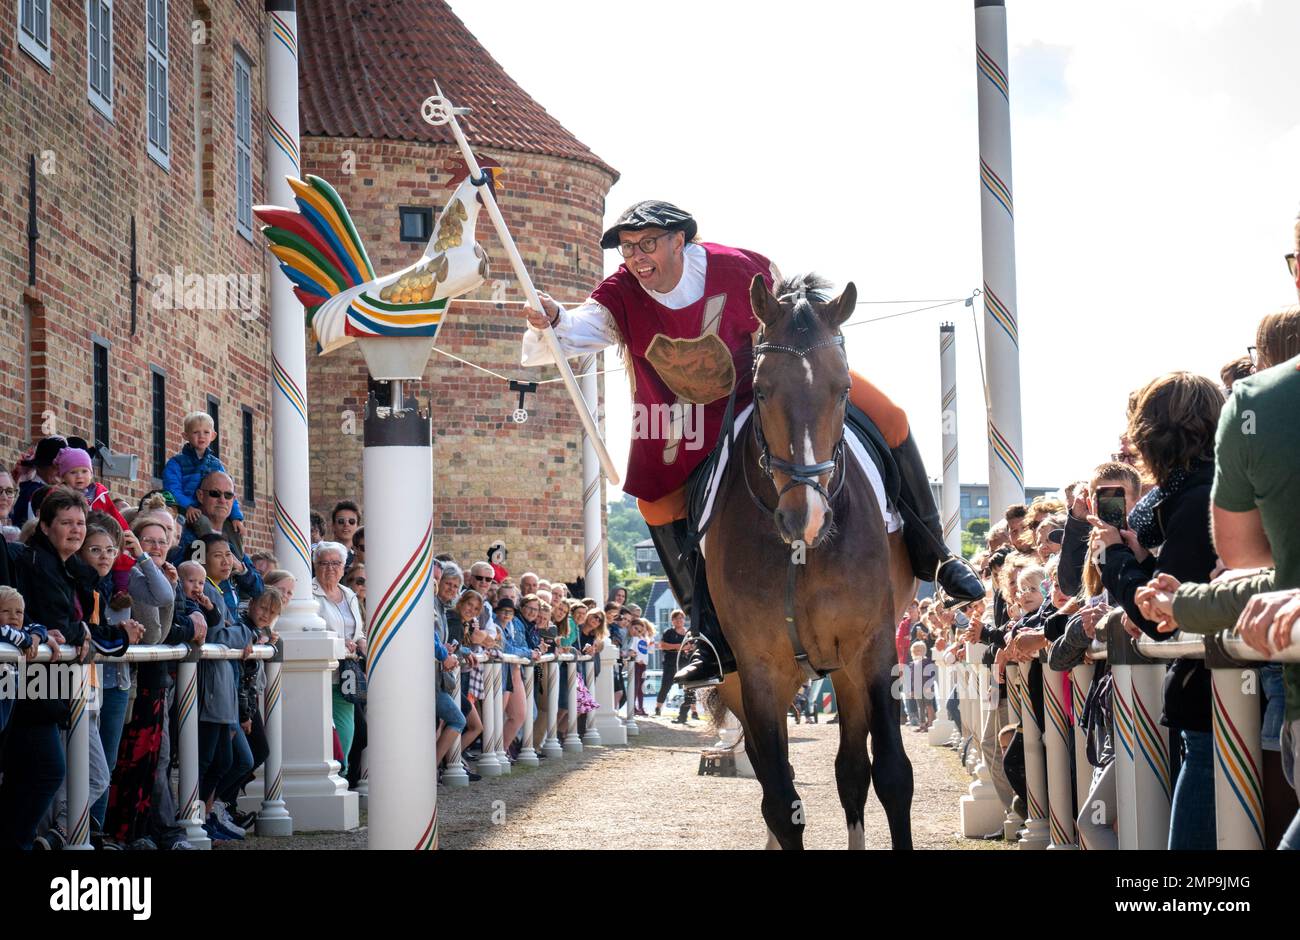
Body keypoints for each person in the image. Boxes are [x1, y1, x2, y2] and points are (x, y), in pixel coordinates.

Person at [520, 201, 983, 688]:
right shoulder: (619, 291)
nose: (635, 256)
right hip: (686, 409)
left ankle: (937, 554)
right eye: (628, 247)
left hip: (770, 388)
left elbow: (796, 319)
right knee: (654, 506)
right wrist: (551, 317)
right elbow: (572, 331)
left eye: (647, 243)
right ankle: (710, 633)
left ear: (681, 240)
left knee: (891, 416)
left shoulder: (742, 267)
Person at [1092, 372, 1223, 850]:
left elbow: (1159, 620)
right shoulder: (1203, 490)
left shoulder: (1195, 498)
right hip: (1210, 700)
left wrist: (1117, 560)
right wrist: (1142, 561)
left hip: (1212, 704)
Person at [312, 541, 365, 777]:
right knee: (319, 734)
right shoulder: (308, 594)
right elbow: (308, 630)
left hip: (346, 676)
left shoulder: (350, 595)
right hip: (319, 674)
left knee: (346, 734)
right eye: (324, 563)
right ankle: (325, 781)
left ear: (344, 567)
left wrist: (362, 643)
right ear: (315, 565)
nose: (330, 568)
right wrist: (337, 643)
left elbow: (358, 631)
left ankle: (340, 779)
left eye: (336, 563)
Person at [161, 412, 245, 537]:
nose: (201, 436)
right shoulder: (176, 463)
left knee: (233, 531)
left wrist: (236, 517)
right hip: (184, 511)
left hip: (211, 512)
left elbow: (228, 491)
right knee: (202, 525)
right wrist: (187, 506)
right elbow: (172, 489)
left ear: (213, 435)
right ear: (186, 435)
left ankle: (238, 556)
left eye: (206, 432)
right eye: (196, 432)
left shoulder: (216, 465)